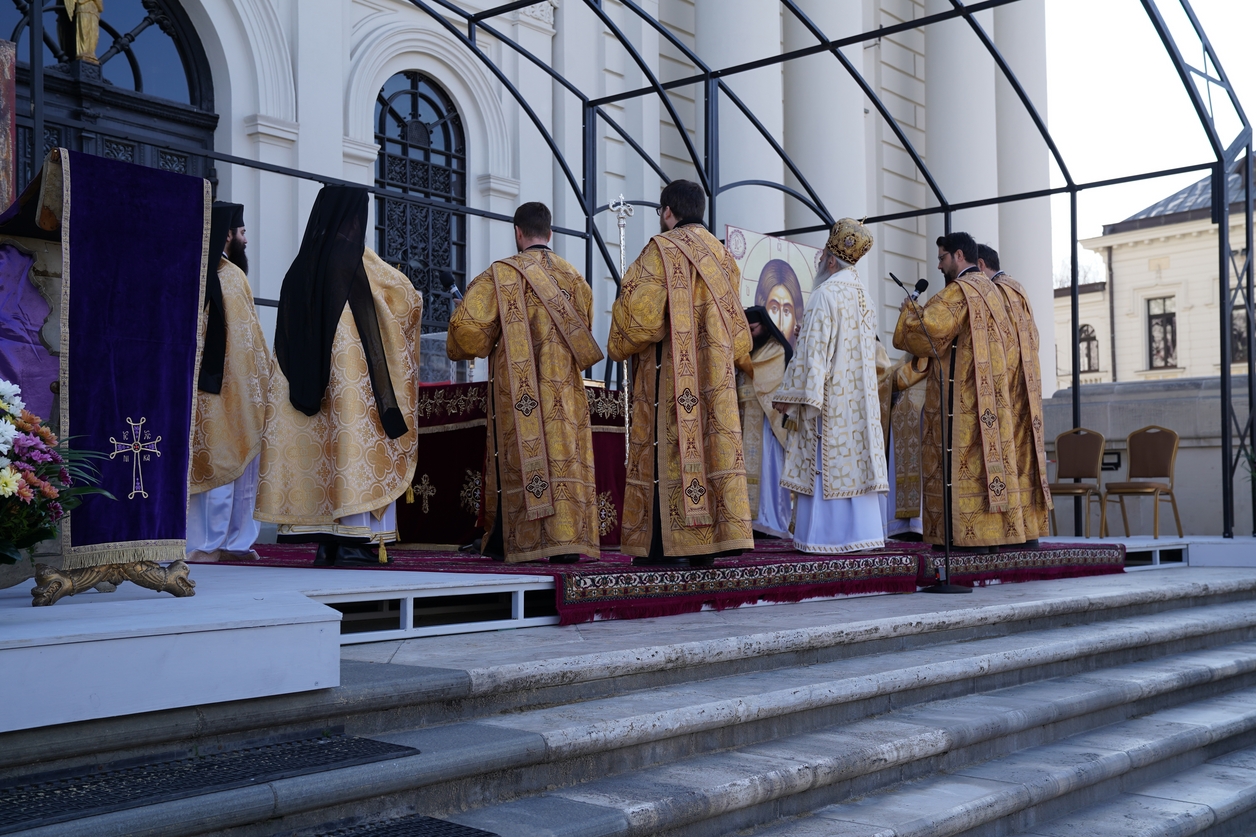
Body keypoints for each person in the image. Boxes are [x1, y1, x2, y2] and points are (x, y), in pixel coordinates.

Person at [255, 186, 422, 566]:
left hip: (304, 392)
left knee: (322, 456)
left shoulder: (299, 268)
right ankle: (354, 540)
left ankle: (328, 542)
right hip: (351, 392)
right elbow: (406, 301)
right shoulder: (359, 265)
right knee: (351, 452)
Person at [607, 179, 754, 566]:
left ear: (668, 212)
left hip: (673, 376)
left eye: (661, 212)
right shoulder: (723, 257)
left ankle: (664, 546)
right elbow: (739, 333)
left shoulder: (661, 249)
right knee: (712, 450)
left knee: (671, 452)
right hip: (715, 380)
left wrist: (621, 311)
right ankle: (712, 543)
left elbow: (639, 321)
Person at [447, 202, 603, 564]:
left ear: (518, 232)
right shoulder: (575, 278)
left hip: (520, 392)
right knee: (564, 456)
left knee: (522, 456)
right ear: (550, 232)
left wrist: (471, 335)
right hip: (564, 390)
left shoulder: (500, 274)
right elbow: (586, 329)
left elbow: (468, 331)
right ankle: (567, 540)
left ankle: (517, 540)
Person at [893, 231, 1028, 551]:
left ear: (958, 255)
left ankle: (962, 537)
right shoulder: (994, 291)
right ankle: (989, 535)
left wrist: (909, 313)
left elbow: (927, 334)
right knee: (987, 468)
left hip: (962, 400)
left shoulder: (960, 290)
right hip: (993, 400)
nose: (939, 266)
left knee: (959, 465)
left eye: (942, 258)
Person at [773, 219, 888, 553]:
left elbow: (813, 355)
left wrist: (792, 396)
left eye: (823, 255)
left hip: (831, 401)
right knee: (856, 462)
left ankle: (825, 537)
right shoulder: (865, 297)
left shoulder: (825, 294)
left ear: (832, 261)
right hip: (859, 402)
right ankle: (862, 534)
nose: (820, 261)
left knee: (826, 463)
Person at [186, 202, 270, 562]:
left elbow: (249, 339)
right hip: (218, 391)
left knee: (237, 468)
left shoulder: (227, 274)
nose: (246, 240)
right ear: (226, 235)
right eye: (242, 232)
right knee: (218, 465)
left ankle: (233, 542)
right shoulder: (219, 274)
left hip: (233, 391)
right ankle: (207, 544)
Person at [978, 243, 1052, 545]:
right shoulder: (1019, 288)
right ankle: (1028, 531)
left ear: (980, 265)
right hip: (1028, 387)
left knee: (1006, 459)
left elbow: (998, 343)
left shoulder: (995, 292)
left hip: (1007, 388)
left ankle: (1009, 531)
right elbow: (1034, 337)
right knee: (1025, 461)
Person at [738, 306, 794, 540]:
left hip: (766, 422)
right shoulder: (748, 351)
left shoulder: (776, 349)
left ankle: (770, 522)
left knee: (768, 470)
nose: (749, 335)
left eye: (752, 329)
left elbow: (761, 377)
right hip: (744, 420)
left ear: (763, 326)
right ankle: (747, 522)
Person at [754, 259, 805, 347]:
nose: (780, 326)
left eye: (786, 311)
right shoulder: (751, 353)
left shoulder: (801, 353)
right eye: (774, 308)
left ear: (795, 319)